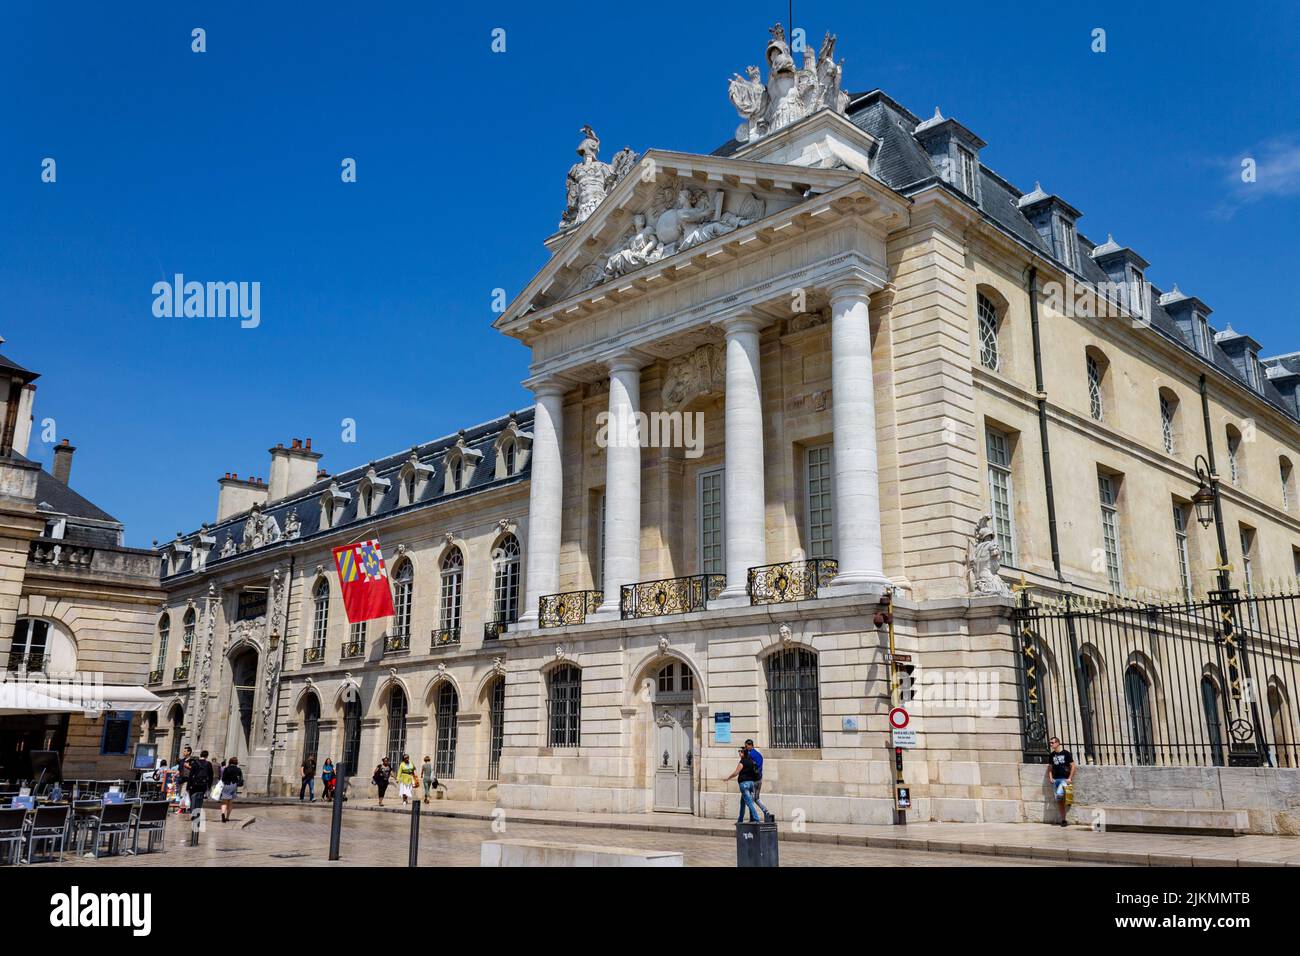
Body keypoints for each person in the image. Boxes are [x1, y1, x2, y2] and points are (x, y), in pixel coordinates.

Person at [723, 746, 763, 824]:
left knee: (749, 803)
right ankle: (740, 820)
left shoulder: (743, 762)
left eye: (740, 751)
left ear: (743, 753)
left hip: (744, 785)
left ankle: (756, 819)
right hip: (751, 784)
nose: (739, 753)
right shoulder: (751, 761)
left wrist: (728, 778)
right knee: (743, 803)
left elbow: (736, 772)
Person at [1046, 736, 1076, 827]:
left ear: (1058, 743)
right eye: (1050, 743)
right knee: (1059, 801)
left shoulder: (1066, 753)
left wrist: (1070, 778)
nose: (1051, 744)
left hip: (1064, 779)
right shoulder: (1051, 755)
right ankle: (1063, 820)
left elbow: (1073, 766)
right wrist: (1050, 778)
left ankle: (1068, 799)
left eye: (1052, 742)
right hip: (1056, 780)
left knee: (1059, 794)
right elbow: (1050, 768)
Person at [743, 739, 774, 822]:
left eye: (746, 746)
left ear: (750, 745)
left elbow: (751, 767)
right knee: (756, 798)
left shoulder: (751, 755)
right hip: (759, 779)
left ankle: (753, 818)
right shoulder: (758, 754)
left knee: (751, 800)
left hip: (754, 780)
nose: (745, 748)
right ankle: (765, 811)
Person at [185, 748, 214, 826]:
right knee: (200, 799)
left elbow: (191, 775)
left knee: (193, 798)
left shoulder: (195, 763)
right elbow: (211, 776)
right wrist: (209, 786)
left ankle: (193, 813)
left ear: (200, 755)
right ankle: (197, 813)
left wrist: (188, 786)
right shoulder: (208, 764)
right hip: (203, 784)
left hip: (194, 784)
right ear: (207, 756)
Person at [219, 757, 244, 823]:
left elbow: (223, 778)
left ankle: (223, 813)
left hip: (226, 785)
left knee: (224, 802)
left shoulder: (226, 769)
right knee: (230, 802)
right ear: (236, 762)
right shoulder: (238, 769)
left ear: (230, 762)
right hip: (233, 785)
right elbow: (240, 778)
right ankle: (227, 817)